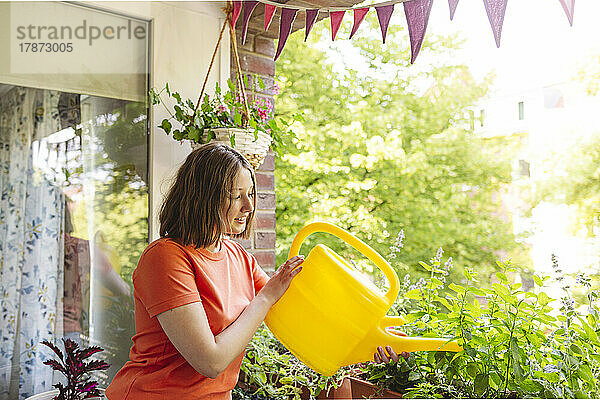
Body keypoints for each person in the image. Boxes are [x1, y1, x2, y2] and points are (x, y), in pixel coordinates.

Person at [106, 143, 399, 399]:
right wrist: (265, 297)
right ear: (203, 197)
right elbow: (210, 361)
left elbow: (303, 318)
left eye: (251, 193)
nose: (248, 206)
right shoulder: (166, 258)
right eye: (235, 196)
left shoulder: (238, 258)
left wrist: (366, 341)